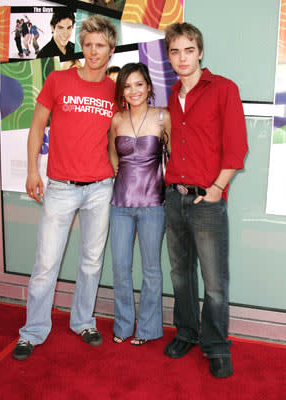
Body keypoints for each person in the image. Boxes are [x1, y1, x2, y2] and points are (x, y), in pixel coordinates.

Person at [13, 14, 118, 361]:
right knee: (46, 263)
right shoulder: (58, 80)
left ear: (111, 49)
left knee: (91, 261)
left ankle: (83, 321)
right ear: (81, 45)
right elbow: (36, 126)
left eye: (100, 45)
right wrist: (32, 170)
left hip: (100, 187)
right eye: (87, 44)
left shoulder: (115, 89)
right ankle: (33, 331)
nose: (93, 51)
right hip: (60, 186)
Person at [163, 22, 248, 378]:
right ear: (169, 57)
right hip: (173, 198)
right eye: (174, 51)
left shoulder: (223, 89)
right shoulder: (172, 94)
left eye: (188, 50)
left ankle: (215, 346)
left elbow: (237, 146)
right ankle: (187, 332)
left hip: (207, 201)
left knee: (214, 282)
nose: (181, 58)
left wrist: (216, 188)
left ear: (200, 52)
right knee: (181, 275)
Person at [108, 62, 171, 345]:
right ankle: (122, 325)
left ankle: (147, 329)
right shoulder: (117, 120)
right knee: (120, 267)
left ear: (148, 86)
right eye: (127, 85)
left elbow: (174, 156)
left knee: (151, 269)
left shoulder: (162, 117)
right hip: (120, 204)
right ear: (122, 90)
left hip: (153, 204)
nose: (133, 90)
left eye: (139, 84)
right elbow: (113, 156)